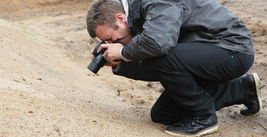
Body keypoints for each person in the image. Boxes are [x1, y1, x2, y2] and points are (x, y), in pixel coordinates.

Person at [86, 0, 263, 136]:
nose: (110, 45)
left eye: (111, 39)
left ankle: (204, 116)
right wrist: (122, 62)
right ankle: (243, 90)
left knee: (159, 55)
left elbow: (159, 45)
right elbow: (157, 68)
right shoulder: (135, 20)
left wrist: (124, 51)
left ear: (120, 18)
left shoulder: (155, 3)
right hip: (204, 54)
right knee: (163, 115)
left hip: (232, 49)